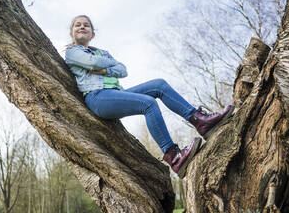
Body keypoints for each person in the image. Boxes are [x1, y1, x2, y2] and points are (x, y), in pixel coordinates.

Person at [64, 15, 234, 178]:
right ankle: (173, 156)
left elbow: (122, 70)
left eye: (86, 25)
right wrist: (110, 65)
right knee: (148, 104)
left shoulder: (103, 52)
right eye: (77, 25)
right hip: (98, 98)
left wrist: (104, 68)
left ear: (93, 34)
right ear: (71, 32)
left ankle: (200, 121)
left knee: (159, 85)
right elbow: (93, 63)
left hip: (117, 93)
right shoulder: (72, 52)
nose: (82, 27)